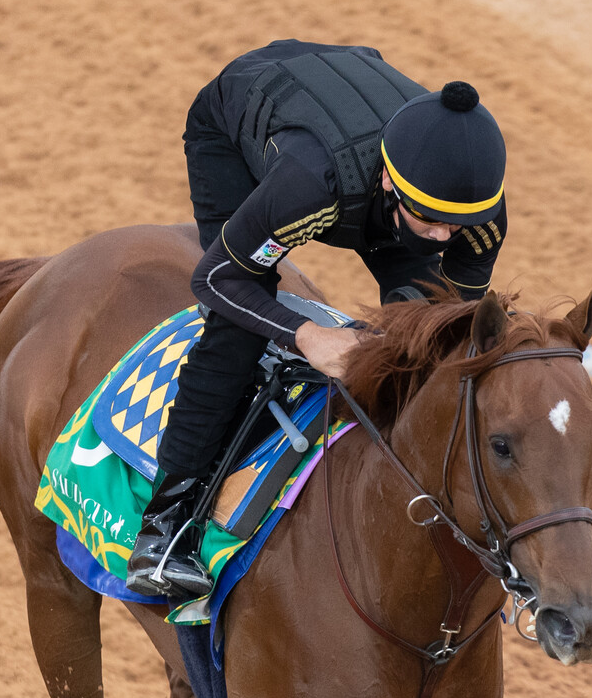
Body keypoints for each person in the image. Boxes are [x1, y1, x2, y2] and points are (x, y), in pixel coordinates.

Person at [125, 40, 509, 600]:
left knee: (425, 332)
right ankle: (166, 527)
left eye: (459, 224)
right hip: (241, 123)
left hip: (356, 116)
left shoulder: (472, 214)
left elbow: (447, 323)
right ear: (388, 183)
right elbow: (215, 279)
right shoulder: (312, 187)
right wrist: (308, 336)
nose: (446, 238)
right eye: (432, 220)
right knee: (238, 324)